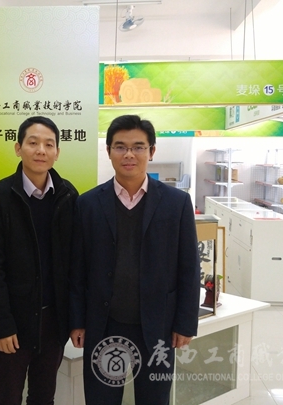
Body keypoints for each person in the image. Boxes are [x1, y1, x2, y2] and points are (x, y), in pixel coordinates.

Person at [69, 114, 201, 405]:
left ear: (151, 151)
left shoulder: (176, 203)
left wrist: (185, 322)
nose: (129, 154)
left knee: (154, 399)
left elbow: (189, 267)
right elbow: (77, 268)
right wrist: (77, 321)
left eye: (138, 147)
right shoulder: (87, 204)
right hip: (104, 324)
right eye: (120, 147)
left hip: (157, 326)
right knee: (101, 400)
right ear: (109, 151)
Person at [0, 116, 78, 405]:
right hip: (14, 321)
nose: (41, 150)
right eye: (33, 143)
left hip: (54, 322)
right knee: (8, 395)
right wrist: (0, 325)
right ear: (18, 148)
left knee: (44, 395)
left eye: (49, 144)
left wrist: (73, 319)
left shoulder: (68, 195)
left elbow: (75, 264)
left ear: (57, 152)